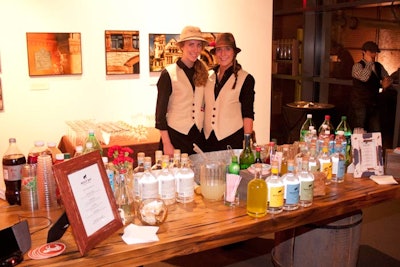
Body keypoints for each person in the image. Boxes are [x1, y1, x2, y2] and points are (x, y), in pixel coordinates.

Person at [155, 26, 209, 156]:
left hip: (197, 136)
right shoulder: (168, 74)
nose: (195, 50)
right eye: (191, 44)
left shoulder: (204, 73)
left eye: (198, 45)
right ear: (182, 47)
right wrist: (167, 143)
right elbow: (160, 116)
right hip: (175, 136)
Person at [203, 32, 255, 152]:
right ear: (215, 53)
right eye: (219, 50)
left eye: (227, 49)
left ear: (234, 52)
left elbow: (248, 114)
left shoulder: (246, 79)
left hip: (232, 139)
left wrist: (247, 145)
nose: (223, 54)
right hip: (207, 140)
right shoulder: (207, 76)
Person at [350, 41, 392, 132]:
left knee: (376, 130)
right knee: (360, 129)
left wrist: (386, 82)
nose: (374, 54)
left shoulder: (378, 66)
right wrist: (369, 63)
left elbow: (387, 77)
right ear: (364, 52)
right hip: (360, 102)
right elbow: (364, 78)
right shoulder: (357, 66)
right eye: (371, 51)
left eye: (375, 52)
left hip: (374, 102)